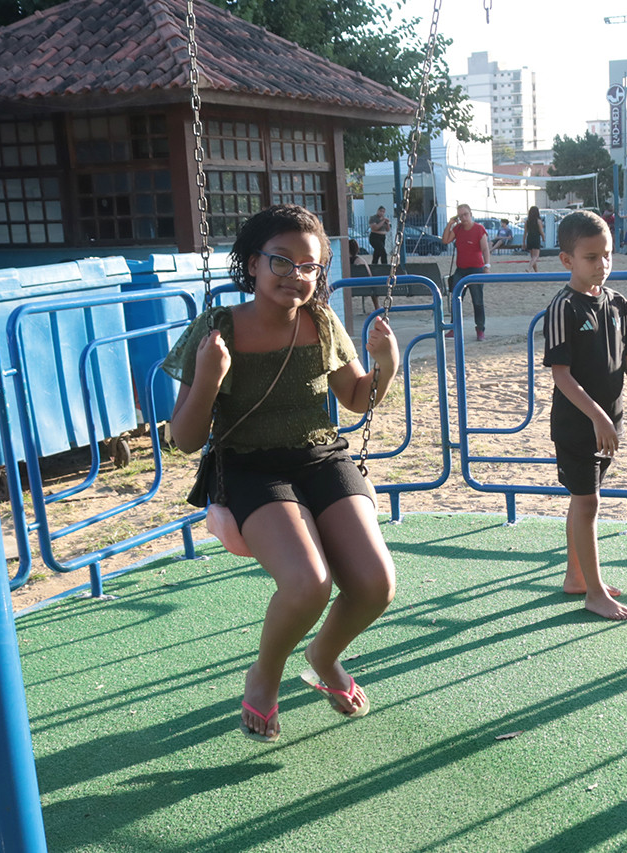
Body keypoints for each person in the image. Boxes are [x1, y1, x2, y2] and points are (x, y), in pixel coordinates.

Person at [161, 204, 401, 742]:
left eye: (309, 266)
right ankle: (263, 677)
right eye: (282, 261)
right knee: (308, 583)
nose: (297, 275)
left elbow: (358, 400)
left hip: (320, 456)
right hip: (248, 466)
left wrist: (387, 363)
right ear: (251, 262)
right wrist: (209, 378)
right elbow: (185, 439)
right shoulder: (217, 328)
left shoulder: (321, 321)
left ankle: (323, 654)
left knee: (376, 584)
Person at [542, 210, 627, 620]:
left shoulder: (617, 303)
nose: (602, 265)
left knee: (583, 500)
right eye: (591, 257)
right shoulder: (563, 308)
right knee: (587, 501)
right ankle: (593, 592)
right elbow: (562, 375)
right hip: (579, 425)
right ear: (567, 260)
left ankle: (576, 577)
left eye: (607, 255)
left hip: (610, 422)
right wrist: (596, 417)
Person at [441, 203, 490, 342]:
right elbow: (445, 240)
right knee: (456, 299)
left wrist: (487, 266)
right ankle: (454, 328)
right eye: (460, 215)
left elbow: (485, 249)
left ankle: (480, 329)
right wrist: (450, 224)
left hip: (476, 270)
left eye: (465, 214)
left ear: (471, 214)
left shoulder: (479, 229)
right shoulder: (458, 228)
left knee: (478, 301)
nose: (463, 218)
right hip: (461, 270)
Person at [524, 206, 544, 272]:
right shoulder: (538, 221)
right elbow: (541, 231)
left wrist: (523, 242)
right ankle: (529, 268)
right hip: (536, 238)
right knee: (535, 256)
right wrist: (543, 238)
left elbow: (525, 232)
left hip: (529, 238)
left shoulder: (527, 221)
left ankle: (536, 271)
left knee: (532, 257)